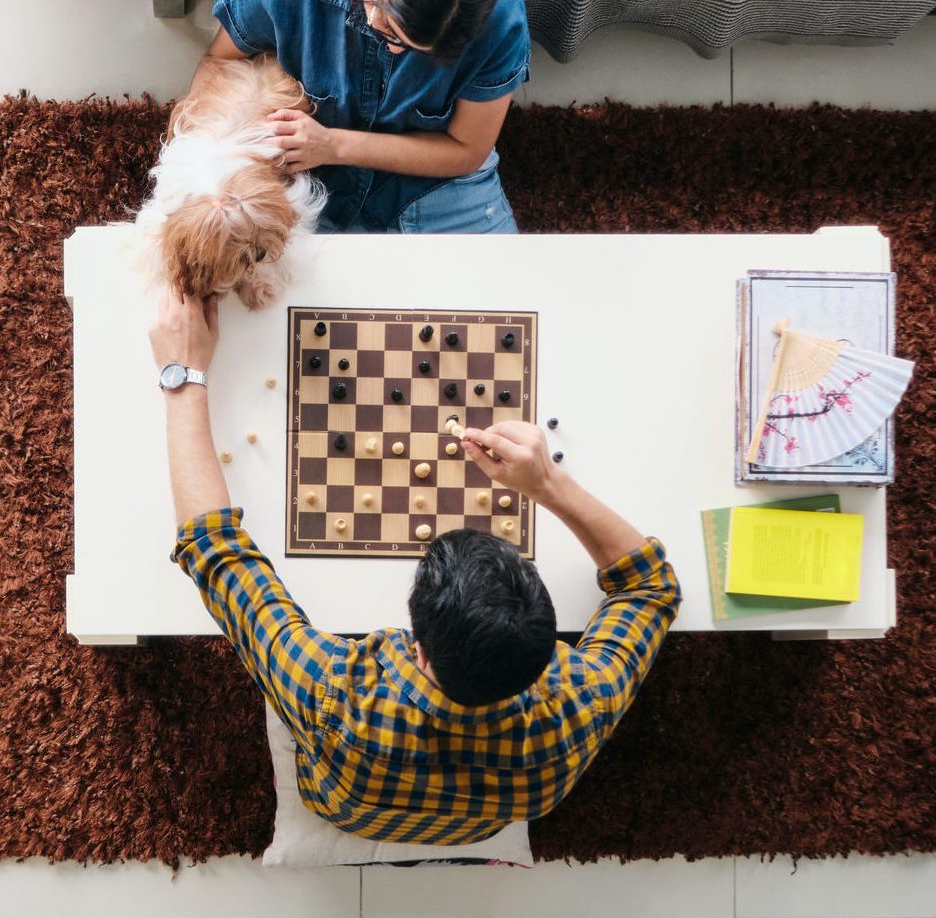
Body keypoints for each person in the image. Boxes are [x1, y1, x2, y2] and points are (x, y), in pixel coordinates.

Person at [150, 288, 682, 844]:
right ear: (550, 649)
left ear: (418, 648)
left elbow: (214, 551)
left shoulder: (333, 695)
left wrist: (181, 377)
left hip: (342, 797)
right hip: (486, 814)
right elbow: (649, 587)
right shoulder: (576, 712)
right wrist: (550, 484)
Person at [194, 0, 529, 233]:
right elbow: (221, 64)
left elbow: (467, 150)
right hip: (311, 177)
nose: (396, 51)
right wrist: (204, 177)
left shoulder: (499, 18)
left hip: (436, 179)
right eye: (391, 33)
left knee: (502, 303)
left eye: (421, 51)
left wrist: (333, 144)